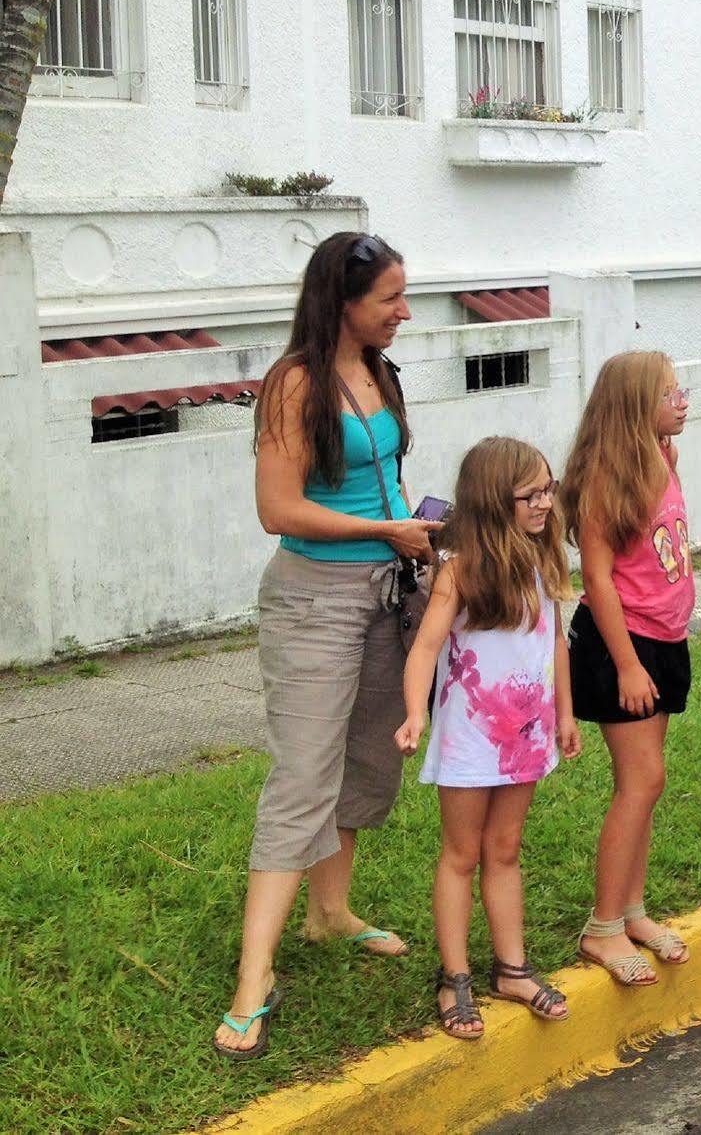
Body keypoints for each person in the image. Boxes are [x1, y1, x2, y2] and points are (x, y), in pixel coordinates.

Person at [215, 232, 444, 1060]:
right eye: (388, 298)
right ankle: (254, 976)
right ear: (340, 301)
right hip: (315, 601)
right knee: (303, 774)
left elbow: (373, 474)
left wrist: (409, 532)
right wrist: (381, 528)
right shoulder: (295, 383)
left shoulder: (377, 370)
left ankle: (328, 913)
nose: (403, 311)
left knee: (363, 761)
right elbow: (277, 508)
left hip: (387, 591)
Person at [394, 437, 581, 1038]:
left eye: (548, 490)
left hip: (525, 734)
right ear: (493, 500)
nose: (545, 503)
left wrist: (565, 715)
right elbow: (425, 647)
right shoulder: (459, 571)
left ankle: (512, 968)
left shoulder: (543, 561)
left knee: (505, 850)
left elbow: (554, 643)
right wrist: (414, 715)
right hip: (470, 739)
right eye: (530, 494)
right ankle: (453, 978)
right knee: (461, 854)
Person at [559, 351, 698, 986]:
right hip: (625, 647)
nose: (683, 400)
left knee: (651, 783)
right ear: (635, 405)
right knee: (638, 783)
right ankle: (604, 927)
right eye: (670, 392)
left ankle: (633, 910)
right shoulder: (607, 479)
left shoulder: (661, 456)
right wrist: (626, 665)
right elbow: (596, 577)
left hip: (662, 640)